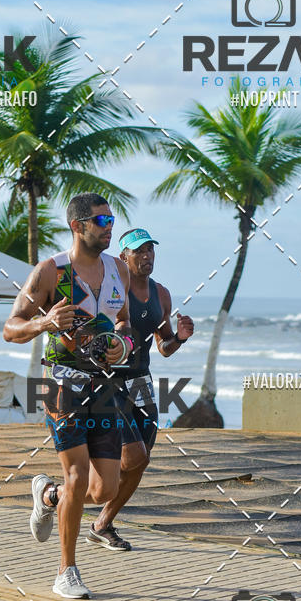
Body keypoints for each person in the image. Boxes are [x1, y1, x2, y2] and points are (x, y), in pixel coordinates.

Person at [3, 193, 143, 599]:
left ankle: (47, 495)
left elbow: (125, 324)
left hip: (105, 386)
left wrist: (123, 345)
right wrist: (44, 321)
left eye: (112, 219)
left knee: (104, 490)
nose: (109, 227)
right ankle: (66, 571)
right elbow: (11, 327)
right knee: (78, 477)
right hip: (60, 383)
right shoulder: (50, 272)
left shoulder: (119, 269)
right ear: (77, 226)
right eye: (101, 220)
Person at [85, 228, 194, 550]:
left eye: (150, 251)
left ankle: (102, 523)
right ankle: (66, 492)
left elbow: (164, 347)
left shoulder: (162, 294)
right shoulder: (112, 292)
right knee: (134, 455)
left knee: (141, 461)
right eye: (139, 252)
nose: (146, 257)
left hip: (142, 380)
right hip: (108, 382)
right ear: (124, 257)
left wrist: (181, 338)